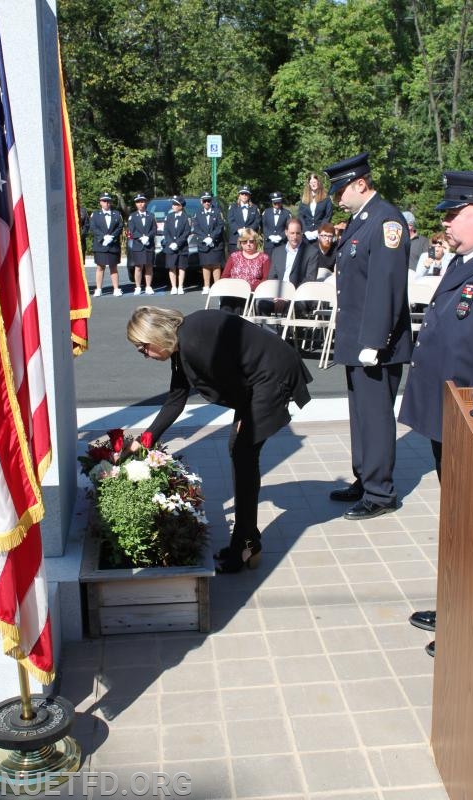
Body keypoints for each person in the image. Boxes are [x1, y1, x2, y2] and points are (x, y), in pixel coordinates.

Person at [126, 306, 312, 573]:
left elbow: (240, 382)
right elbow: (176, 400)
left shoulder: (194, 343)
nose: (144, 355)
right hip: (255, 378)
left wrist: (244, 417)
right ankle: (247, 542)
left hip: (270, 375)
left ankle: (245, 547)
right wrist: (144, 441)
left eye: (143, 347)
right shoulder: (182, 345)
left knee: (243, 453)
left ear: (155, 335)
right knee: (240, 452)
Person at [399, 170, 473, 657]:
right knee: (457, 520)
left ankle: (469, 620)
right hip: (447, 414)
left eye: (454, 214)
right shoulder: (463, 261)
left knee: (472, 525)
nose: (445, 223)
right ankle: (456, 606)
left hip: (472, 420)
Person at [323, 152, 412, 520]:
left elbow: (385, 287)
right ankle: (365, 478)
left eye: (341, 190)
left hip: (376, 344)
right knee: (361, 416)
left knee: (375, 417)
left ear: (361, 184)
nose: (337, 199)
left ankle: (380, 491)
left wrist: (374, 341)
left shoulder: (385, 220)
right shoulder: (362, 219)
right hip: (357, 340)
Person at [257, 217, 317, 317]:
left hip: (298, 297)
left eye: (298, 233)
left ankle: (288, 333)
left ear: (302, 233)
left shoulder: (311, 252)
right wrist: (277, 297)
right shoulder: (277, 252)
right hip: (277, 296)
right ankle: (271, 332)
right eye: (292, 233)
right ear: (286, 232)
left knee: (291, 307)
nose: (295, 237)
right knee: (261, 304)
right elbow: (272, 277)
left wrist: (287, 297)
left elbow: (309, 279)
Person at [220, 228, 270, 313]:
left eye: (251, 241)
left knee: (239, 307)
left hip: (251, 292)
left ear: (256, 242)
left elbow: (266, 279)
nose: (248, 244)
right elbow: (224, 276)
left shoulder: (264, 258)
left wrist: (249, 286)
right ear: (240, 243)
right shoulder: (234, 256)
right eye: (244, 242)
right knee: (226, 305)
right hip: (232, 291)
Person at [90, 192, 124, 297]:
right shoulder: (95, 214)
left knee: (113, 267)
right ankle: (99, 289)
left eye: (108, 201)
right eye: (104, 201)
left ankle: (116, 288)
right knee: (100, 267)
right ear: (100, 202)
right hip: (100, 245)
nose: (107, 203)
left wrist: (112, 237)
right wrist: (103, 237)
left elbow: (120, 226)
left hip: (113, 244)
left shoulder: (117, 214)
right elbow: (93, 227)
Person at [192, 192, 225, 294]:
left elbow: (220, 226)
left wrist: (212, 238)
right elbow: (196, 228)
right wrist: (205, 238)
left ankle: (217, 286)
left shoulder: (217, 212)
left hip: (216, 243)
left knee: (216, 265)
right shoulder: (197, 213)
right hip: (203, 243)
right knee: (205, 265)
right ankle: (206, 286)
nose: (207, 203)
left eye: (209, 200)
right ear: (201, 202)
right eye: (205, 201)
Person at [127, 193, 157, 295]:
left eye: (142, 201)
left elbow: (154, 229)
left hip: (149, 244)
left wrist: (148, 237)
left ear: (145, 202)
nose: (141, 204)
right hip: (138, 245)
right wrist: (140, 237)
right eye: (138, 202)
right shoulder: (132, 216)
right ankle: (138, 287)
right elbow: (132, 230)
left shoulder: (151, 215)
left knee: (149, 266)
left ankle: (148, 286)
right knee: (138, 267)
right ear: (136, 204)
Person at [162, 195, 190, 294]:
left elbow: (186, 232)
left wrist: (177, 243)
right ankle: (173, 286)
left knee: (181, 267)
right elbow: (165, 231)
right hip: (170, 246)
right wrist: (170, 242)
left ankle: (180, 286)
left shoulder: (186, 218)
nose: (173, 206)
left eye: (175, 204)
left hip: (181, 246)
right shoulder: (169, 216)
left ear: (181, 206)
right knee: (171, 266)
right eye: (173, 204)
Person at [297, 173, 333, 241]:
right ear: (309, 185)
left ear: (318, 183)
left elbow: (328, 216)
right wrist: (305, 231)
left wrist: (318, 231)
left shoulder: (326, 198)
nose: (313, 184)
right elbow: (300, 216)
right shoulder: (304, 199)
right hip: (306, 235)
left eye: (314, 182)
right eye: (311, 182)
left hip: (320, 234)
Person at [227, 185, 261, 254]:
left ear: (249, 196)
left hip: (250, 240)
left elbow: (257, 221)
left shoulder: (254, 207)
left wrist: (248, 230)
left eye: (246, 194)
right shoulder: (233, 207)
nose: (244, 196)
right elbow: (230, 220)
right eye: (242, 194)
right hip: (235, 239)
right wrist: (238, 229)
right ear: (239, 195)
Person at [261, 192, 292, 257]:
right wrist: (269, 236)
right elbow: (263, 226)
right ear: (272, 202)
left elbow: (288, 227)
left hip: (281, 243)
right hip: (269, 244)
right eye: (275, 203)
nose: (277, 204)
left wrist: (281, 236)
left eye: (279, 202)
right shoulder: (266, 212)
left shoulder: (287, 213)